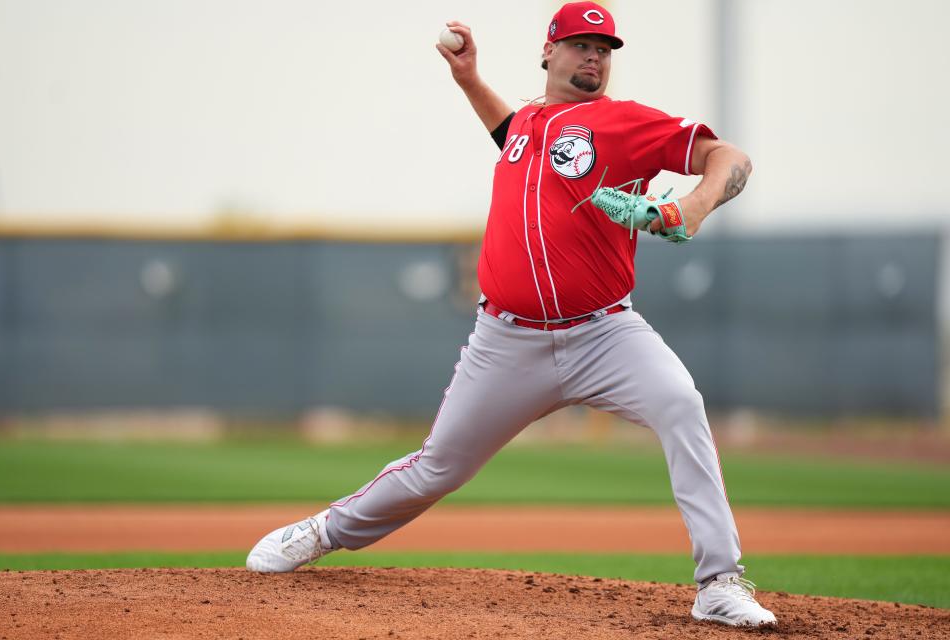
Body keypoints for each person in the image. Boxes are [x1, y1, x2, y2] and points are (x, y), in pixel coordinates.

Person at [247, 1, 775, 628]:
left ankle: (718, 581)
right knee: (437, 467)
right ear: (548, 53)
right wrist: (469, 80)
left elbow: (729, 155)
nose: (594, 58)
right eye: (581, 44)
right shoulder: (524, 124)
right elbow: (515, 134)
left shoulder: (624, 124)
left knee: (682, 404)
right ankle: (323, 531)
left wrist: (696, 203)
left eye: (604, 49)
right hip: (506, 342)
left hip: (605, 333)